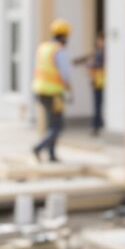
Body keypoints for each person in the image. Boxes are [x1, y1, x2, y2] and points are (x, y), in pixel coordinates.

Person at [31, 19, 73, 163]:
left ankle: (52, 154)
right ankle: (39, 147)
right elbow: (65, 75)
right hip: (54, 94)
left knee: (51, 124)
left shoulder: (43, 48)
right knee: (58, 125)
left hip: (39, 91)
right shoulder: (59, 51)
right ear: (64, 36)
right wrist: (70, 91)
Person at [74, 32, 105, 136]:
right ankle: (97, 125)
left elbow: (97, 64)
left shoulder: (103, 53)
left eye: (101, 40)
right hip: (97, 82)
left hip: (101, 83)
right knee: (97, 106)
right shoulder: (97, 53)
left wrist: (90, 64)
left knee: (98, 106)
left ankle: (98, 125)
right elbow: (88, 59)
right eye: (98, 40)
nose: (99, 42)